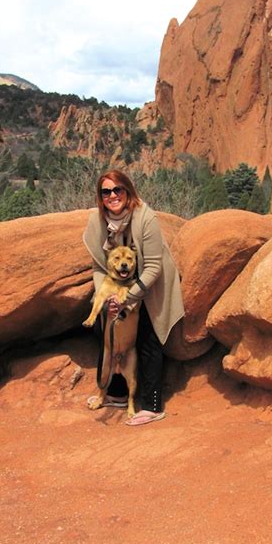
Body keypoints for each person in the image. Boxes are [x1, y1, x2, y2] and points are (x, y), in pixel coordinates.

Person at [83, 169, 184, 426]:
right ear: (100, 196)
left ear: (128, 191)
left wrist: (129, 296)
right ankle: (116, 393)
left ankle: (152, 405)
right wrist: (105, 297)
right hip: (115, 284)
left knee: (148, 337)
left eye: (118, 190)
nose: (112, 196)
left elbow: (153, 267)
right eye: (106, 192)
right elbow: (98, 267)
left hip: (149, 285)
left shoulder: (144, 217)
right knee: (104, 328)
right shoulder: (98, 222)